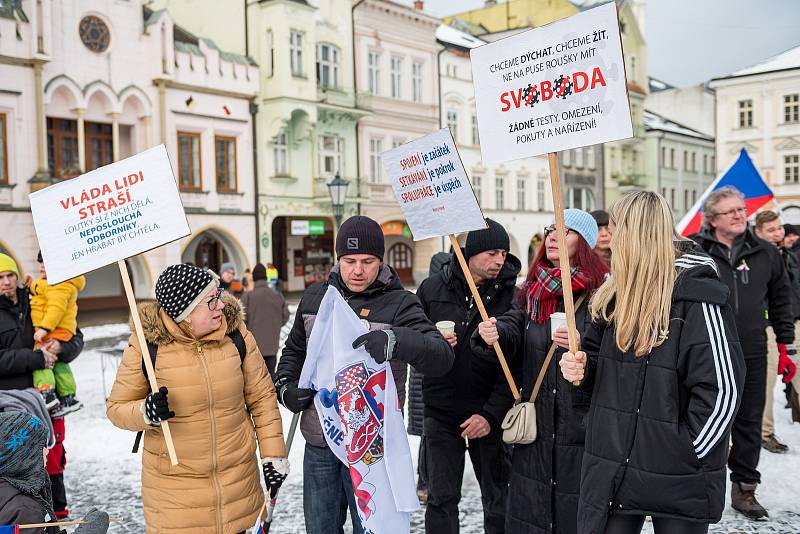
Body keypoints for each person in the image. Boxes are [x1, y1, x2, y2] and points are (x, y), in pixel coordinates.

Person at [561, 191, 745, 534]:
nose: (609, 239)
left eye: (615, 229)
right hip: (612, 464)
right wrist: (579, 371)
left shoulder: (697, 293)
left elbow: (723, 388)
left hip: (676, 473)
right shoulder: (613, 294)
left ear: (634, 234)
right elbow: (594, 371)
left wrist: (688, 452)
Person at [275, 215, 454, 534]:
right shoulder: (316, 298)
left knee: (371, 529)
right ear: (338, 259)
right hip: (320, 442)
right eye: (349, 260)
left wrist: (395, 340)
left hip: (373, 450)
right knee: (321, 529)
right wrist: (287, 388)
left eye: (368, 261)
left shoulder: (400, 303)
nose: (358, 270)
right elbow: (294, 353)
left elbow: (440, 355)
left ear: (380, 261)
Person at [106, 264, 288, 534]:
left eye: (219, 295)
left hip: (236, 487)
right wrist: (145, 412)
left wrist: (273, 455)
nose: (220, 305)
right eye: (210, 301)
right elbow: (116, 408)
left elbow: (262, 398)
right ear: (185, 314)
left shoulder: (237, 337)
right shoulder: (148, 347)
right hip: (177, 501)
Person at [475, 210, 607, 534]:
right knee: (530, 517)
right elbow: (514, 324)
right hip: (535, 432)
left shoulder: (602, 297)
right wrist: (495, 331)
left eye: (565, 231)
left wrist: (583, 353)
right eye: (550, 230)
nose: (552, 236)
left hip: (580, 430)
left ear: (585, 243)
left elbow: (613, 358)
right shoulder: (532, 291)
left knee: (573, 516)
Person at [690, 187, 794, 520]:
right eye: (730, 211)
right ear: (712, 219)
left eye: (741, 209)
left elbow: (781, 302)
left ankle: (745, 488)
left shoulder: (765, 252)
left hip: (751, 347)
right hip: (705, 348)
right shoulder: (694, 249)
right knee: (704, 416)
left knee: (749, 419)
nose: (739, 215)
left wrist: (785, 346)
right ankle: (697, 485)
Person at [415, 219, 521, 534]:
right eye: (491, 252)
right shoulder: (432, 289)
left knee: (499, 498)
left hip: (490, 413)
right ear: (470, 253)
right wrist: (431, 343)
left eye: (503, 252)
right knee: (441, 499)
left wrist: (490, 414)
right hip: (442, 412)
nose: (499, 260)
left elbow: (515, 364)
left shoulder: (511, 295)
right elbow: (413, 342)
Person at [0, 253, 84, 520]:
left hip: (48, 401)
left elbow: (75, 336)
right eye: (0, 278)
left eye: (10, 275)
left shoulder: (37, 296)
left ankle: (58, 516)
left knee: (53, 460)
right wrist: (36, 358)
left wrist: (63, 346)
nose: (6, 282)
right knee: (18, 467)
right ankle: (30, 521)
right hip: (9, 406)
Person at [753, 211, 799, 453]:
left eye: (779, 228)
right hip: (767, 327)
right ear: (758, 232)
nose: (778, 233)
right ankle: (764, 433)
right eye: (771, 230)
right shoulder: (754, 257)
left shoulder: (787, 253)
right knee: (766, 381)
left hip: (791, 323)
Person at [29, 251, 85, 416]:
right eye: (40, 263)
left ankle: (46, 392)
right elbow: (40, 288)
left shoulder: (60, 284)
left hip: (54, 330)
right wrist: (30, 284)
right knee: (59, 363)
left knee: (41, 357)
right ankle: (69, 396)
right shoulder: (53, 283)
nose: (42, 267)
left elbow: (56, 308)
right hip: (61, 331)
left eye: (47, 264)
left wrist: (44, 329)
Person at [241, 263, 290, 378]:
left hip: (254, 347)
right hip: (272, 346)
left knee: (257, 380)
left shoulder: (248, 296)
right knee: (270, 377)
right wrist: (276, 324)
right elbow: (286, 315)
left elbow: (241, 318)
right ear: (265, 277)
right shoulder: (277, 295)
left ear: (254, 278)